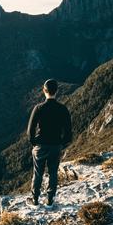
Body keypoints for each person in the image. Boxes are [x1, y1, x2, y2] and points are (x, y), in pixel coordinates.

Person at [26, 79, 72, 208]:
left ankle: (35, 200)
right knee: (53, 172)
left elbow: (30, 130)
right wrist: (61, 144)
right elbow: (68, 132)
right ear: (57, 91)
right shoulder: (63, 109)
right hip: (55, 146)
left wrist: (34, 143)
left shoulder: (38, 108)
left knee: (38, 173)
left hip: (40, 145)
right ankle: (50, 200)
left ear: (44, 91)